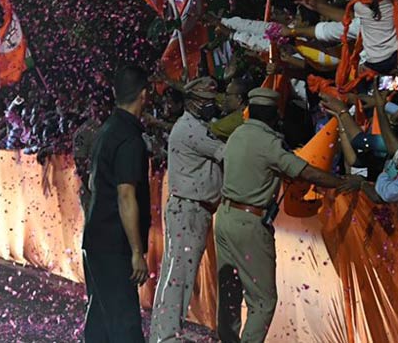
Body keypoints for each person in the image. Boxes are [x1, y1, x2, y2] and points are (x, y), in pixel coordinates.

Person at [215, 87, 363, 343]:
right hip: (249, 223)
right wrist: (341, 181)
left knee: (230, 294)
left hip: (225, 217)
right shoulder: (268, 143)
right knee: (263, 300)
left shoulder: (237, 134)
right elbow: (308, 173)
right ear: (274, 115)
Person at [150, 77, 226, 343]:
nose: (210, 106)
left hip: (189, 209)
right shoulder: (192, 130)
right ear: (193, 102)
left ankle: (164, 333)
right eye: (206, 101)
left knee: (176, 273)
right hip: (189, 210)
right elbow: (226, 153)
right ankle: (168, 335)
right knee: (179, 275)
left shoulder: (193, 125)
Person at [81, 65, 153, 343]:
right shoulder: (129, 138)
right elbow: (126, 195)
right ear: (144, 95)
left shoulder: (107, 129)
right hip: (114, 245)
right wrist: (137, 251)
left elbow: (91, 183)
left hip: (96, 238)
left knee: (100, 319)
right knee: (125, 325)